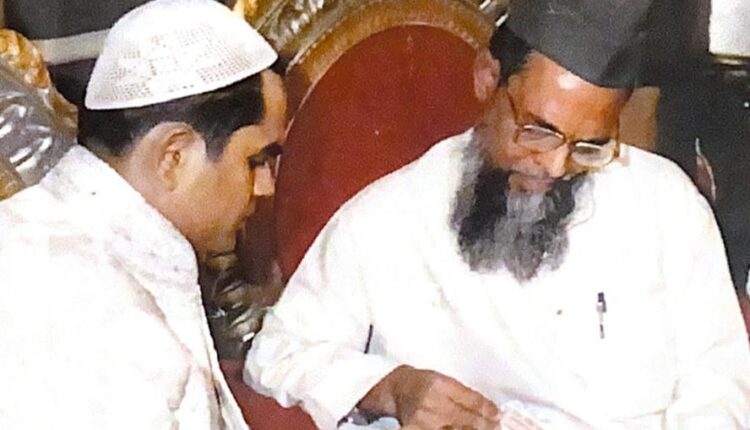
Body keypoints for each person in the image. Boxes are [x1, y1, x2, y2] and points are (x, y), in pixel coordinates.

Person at [245, 0, 750, 429]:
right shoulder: (392, 215)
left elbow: (721, 379)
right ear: (488, 78)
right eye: (538, 130)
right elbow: (278, 354)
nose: (555, 166)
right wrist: (390, 387)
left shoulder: (664, 202)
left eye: (589, 145)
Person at [0, 0, 287, 428]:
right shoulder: (104, 319)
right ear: (173, 156)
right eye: (255, 160)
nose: (266, 187)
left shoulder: (40, 231)